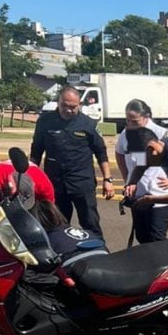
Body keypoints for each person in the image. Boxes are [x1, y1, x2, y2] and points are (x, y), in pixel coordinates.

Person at [30, 86, 115, 237]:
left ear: (79, 105)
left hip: (82, 182)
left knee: (90, 223)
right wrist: (31, 177)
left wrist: (107, 179)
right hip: (55, 183)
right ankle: (62, 255)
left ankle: (98, 255)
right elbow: (36, 151)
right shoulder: (45, 122)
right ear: (58, 102)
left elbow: (101, 152)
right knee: (56, 225)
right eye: (65, 106)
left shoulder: (88, 124)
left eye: (73, 107)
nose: (69, 110)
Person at [116, 100, 168, 244]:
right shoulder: (126, 134)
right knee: (142, 237)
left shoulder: (162, 134)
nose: (130, 124)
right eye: (128, 120)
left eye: (135, 121)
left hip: (161, 194)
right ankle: (149, 265)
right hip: (138, 194)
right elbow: (121, 154)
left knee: (157, 237)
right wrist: (128, 180)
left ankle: (166, 264)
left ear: (146, 116)